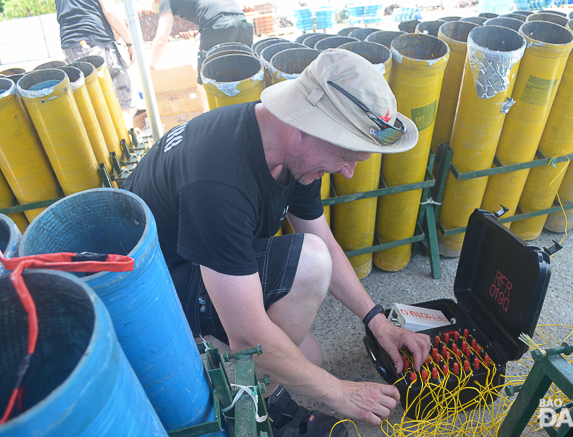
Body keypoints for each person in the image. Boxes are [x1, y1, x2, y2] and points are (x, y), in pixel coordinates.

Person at [123, 49, 431, 437]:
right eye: (345, 156)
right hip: (153, 296)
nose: (349, 173)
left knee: (307, 358)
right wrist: (340, 394)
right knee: (307, 279)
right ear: (304, 126)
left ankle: (264, 389)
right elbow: (247, 334)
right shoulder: (219, 181)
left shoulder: (288, 147)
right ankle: (254, 413)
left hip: (195, 260)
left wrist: (377, 321)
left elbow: (320, 234)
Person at [55, 0, 134, 111]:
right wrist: (130, 42)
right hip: (97, 42)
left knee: (93, 109)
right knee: (120, 106)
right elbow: (109, 11)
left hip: (71, 49)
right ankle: (128, 128)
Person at [149, 0, 253, 81]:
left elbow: (160, 40)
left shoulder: (165, 1)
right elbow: (214, 11)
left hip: (218, 26)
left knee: (208, 79)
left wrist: (151, 66)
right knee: (245, 75)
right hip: (243, 23)